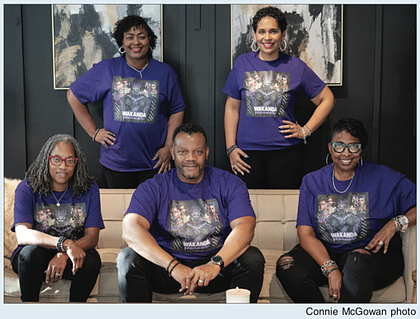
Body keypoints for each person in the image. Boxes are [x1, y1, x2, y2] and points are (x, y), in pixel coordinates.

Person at [116, 123, 265, 302]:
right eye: (183, 152)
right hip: (167, 269)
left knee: (253, 258)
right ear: (172, 153)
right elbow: (131, 228)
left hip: (215, 268)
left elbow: (245, 226)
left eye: (198, 152)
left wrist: (215, 263)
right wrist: (173, 266)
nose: (191, 158)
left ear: (207, 153)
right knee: (127, 258)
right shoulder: (155, 186)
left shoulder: (229, 183)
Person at [276, 118, 416, 303]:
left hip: (370, 256)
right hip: (327, 252)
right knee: (287, 265)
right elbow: (305, 234)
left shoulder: (384, 177)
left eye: (354, 146)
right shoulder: (312, 181)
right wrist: (330, 268)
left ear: (361, 148)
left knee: (356, 263)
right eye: (339, 146)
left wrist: (395, 224)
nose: (346, 153)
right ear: (330, 147)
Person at [223, 6, 335, 189]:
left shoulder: (296, 67)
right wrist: (231, 148)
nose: (267, 37)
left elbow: (327, 98)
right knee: (247, 210)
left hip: (286, 153)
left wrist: (306, 130)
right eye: (262, 32)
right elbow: (232, 107)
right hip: (246, 154)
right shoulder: (242, 63)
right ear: (254, 34)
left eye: (273, 31)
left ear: (283, 34)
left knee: (283, 211)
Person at [67, 15, 185, 188]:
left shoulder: (165, 72)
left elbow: (177, 109)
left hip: (155, 163)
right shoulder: (107, 69)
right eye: (129, 37)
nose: (136, 42)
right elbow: (73, 95)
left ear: (149, 39)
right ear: (122, 42)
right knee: (122, 214)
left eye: (142, 36)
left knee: (153, 213)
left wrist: (169, 147)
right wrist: (94, 132)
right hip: (117, 163)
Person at [11, 134, 105, 302]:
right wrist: (64, 243)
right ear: (46, 160)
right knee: (30, 253)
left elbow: (92, 237)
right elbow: (23, 234)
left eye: (70, 161)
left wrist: (63, 253)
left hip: (71, 256)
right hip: (35, 257)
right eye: (56, 159)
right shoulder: (27, 187)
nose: (63, 166)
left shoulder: (89, 188)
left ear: (77, 163)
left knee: (92, 259)